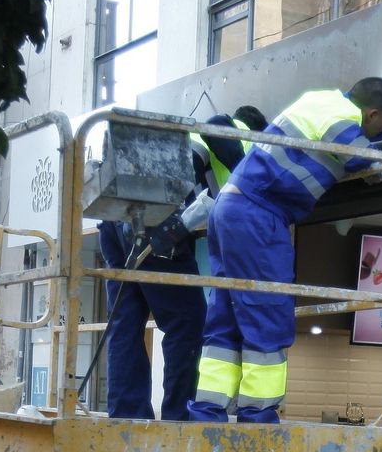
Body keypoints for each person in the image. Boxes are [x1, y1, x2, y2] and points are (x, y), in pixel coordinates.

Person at [187, 78, 382, 424]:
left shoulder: (321, 100)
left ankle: (207, 412)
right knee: (268, 314)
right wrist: (378, 165)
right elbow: (357, 151)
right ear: (372, 113)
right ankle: (258, 418)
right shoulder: (340, 116)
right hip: (259, 216)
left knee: (226, 317)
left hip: (229, 209)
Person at [101, 105, 267, 421]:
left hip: (117, 220)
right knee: (187, 323)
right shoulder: (236, 134)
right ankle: (181, 417)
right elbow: (216, 125)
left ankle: (127, 414)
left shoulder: (188, 144)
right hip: (157, 219)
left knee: (125, 322)